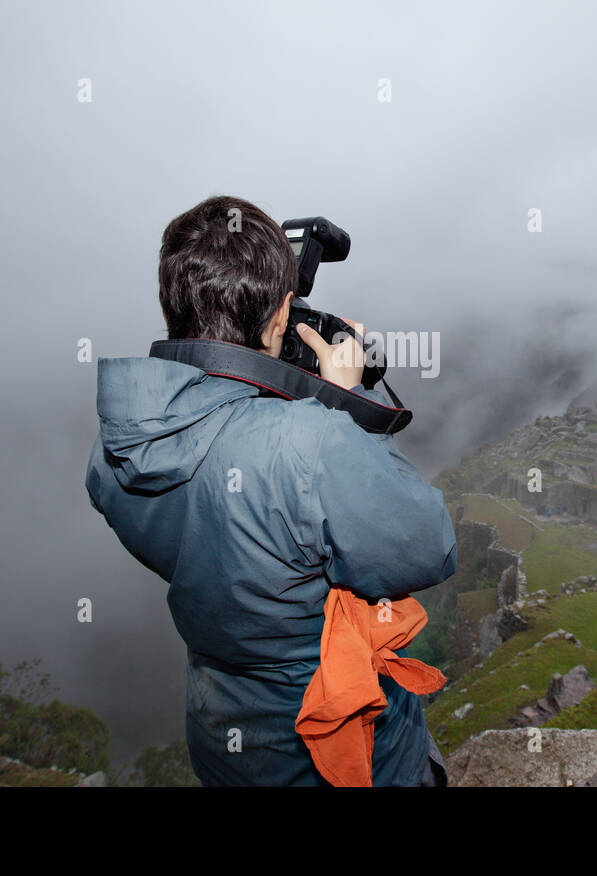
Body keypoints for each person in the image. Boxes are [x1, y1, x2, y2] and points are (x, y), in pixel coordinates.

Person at [84, 196, 457, 787]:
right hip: (337, 749)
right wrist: (342, 407)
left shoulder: (116, 452)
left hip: (225, 736)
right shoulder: (308, 446)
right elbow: (427, 546)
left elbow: (225, 511)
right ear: (283, 315)